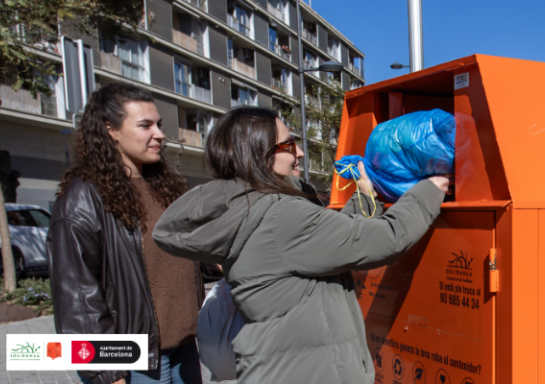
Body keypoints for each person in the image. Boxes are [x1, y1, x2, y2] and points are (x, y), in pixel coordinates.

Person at [152, 107, 449, 384]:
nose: (301, 153)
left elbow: (325, 243)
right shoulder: (279, 214)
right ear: (260, 155)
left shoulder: (250, 210)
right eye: (289, 144)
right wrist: (428, 190)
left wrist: (363, 198)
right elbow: (389, 238)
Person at [47, 83, 203, 384]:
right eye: (145, 125)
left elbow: (177, 259)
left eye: (159, 124)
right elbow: (78, 297)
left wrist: (214, 262)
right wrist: (107, 373)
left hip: (184, 351)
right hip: (134, 363)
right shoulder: (82, 199)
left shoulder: (164, 187)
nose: (158, 133)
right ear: (111, 130)